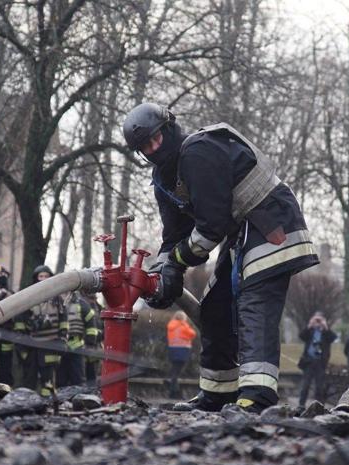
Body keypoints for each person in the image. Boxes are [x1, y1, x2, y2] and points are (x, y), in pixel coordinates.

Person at [122, 103, 318, 413]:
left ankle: (257, 397)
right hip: (242, 232)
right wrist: (162, 273)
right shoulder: (163, 179)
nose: (153, 149)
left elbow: (210, 229)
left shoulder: (198, 152)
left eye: (155, 139)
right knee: (214, 307)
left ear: (169, 129)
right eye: (145, 147)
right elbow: (174, 237)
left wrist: (176, 262)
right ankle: (217, 394)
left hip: (271, 222)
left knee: (254, 303)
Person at [19, 265, 68, 397]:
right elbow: (22, 321)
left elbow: (64, 321)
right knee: (29, 378)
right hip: (32, 346)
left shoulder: (57, 299)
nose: (43, 279)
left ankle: (48, 403)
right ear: (36, 278)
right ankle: (27, 403)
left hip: (50, 345)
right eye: (41, 276)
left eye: (46, 276)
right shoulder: (29, 297)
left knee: (48, 379)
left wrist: (62, 339)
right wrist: (23, 345)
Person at [57, 291, 97, 388]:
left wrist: (90, 343)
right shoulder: (54, 303)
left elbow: (91, 326)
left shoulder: (82, 304)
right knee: (59, 379)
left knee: (78, 378)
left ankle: (79, 399)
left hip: (77, 346)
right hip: (58, 346)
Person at [297, 312, 337, 407]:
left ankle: (318, 405)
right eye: (316, 319)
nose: (318, 322)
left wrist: (325, 326)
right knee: (305, 385)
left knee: (319, 386)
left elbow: (333, 338)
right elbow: (301, 336)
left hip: (320, 362)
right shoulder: (310, 331)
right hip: (309, 361)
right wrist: (310, 325)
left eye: (320, 320)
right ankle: (301, 404)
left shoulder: (326, 332)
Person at [166, 311, 197, 398]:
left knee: (175, 370)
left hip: (172, 350)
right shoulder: (182, 326)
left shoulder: (171, 325)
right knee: (176, 372)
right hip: (182, 350)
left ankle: (173, 389)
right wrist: (185, 324)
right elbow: (192, 333)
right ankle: (173, 391)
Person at [81, 291, 104, 383]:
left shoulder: (99, 307)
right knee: (82, 374)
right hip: (83, 345)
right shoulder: (82, 304)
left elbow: (103, 326)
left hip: (95, 347)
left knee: (92, 374)